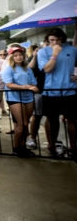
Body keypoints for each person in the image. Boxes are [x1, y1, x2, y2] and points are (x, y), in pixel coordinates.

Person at [37, 27, 77, 157]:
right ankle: (52, 145)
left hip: (70, 90)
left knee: (72, 119)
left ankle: (73, 146)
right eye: (51, 40)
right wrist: (54, 54)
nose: (54, 42)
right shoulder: (43, 52)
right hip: (50, 91)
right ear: (47, 40)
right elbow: (47, 69)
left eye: (57, 40)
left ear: (62, 39)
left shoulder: (72, 49)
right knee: (52, 119)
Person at [0, 45, 38, 157]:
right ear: (12, 57)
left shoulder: (28, 69)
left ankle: (23, 146)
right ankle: (16, 148)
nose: (18, 57)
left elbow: (34, 83)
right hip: (14, 98)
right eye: (15, 55)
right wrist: (27, 87)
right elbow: (9, 84)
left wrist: (31, 87)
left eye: (20, 55)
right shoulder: (8, 69)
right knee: (21, 124)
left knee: (26, 125)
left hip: (28, 98)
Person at [26, 44, 45, 150]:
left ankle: (54, 142)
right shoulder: (34, 58)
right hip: (38, 91)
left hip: (51, 90)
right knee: (36, 116)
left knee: (52, 117)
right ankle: (33, 139)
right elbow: (29, 69)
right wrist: (34, 56)